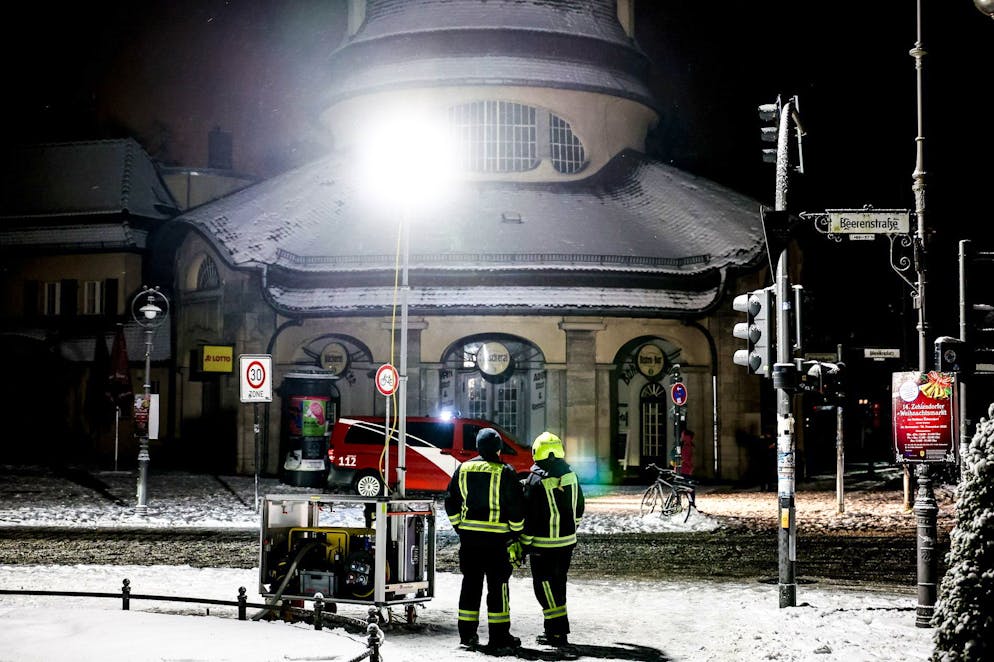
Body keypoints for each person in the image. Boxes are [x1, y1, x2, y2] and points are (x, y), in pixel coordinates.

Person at [444, 427, 525, 651]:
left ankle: (467, 636)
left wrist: (459, 527)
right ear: (498, 448)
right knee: (498, 588)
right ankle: (499, 637)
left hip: (470, 541)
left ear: (477, 447)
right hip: (497, 542)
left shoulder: (463, 468)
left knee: (470, 586)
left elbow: (450, 501)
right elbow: (516, 508)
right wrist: (515, 533)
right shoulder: (505, 472)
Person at [521, 431, 585, 655]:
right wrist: (571, 528)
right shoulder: (572, 476)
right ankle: (554, 631)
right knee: (558, 585)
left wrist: (525, 544)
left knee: (544, 587)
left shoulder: (535, 480)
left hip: (543, 545)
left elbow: (530, 516)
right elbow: (579, 507)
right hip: (567, 543)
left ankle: (557, 631)